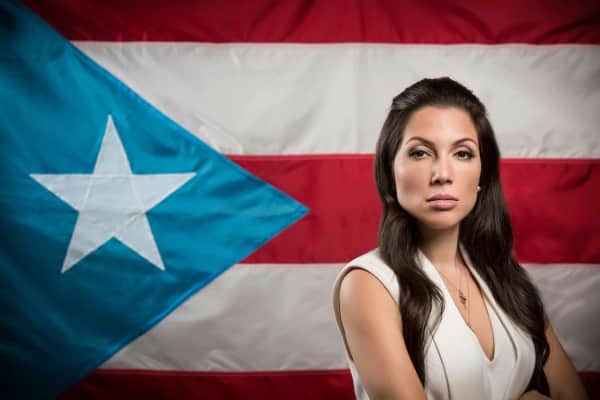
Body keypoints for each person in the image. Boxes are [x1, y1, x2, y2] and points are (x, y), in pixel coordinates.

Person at [332, 77, 588, 400]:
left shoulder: (507, 278)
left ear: (482, 174)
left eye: (463, 153)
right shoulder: (369, 284)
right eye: (420, 153)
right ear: (390, 170)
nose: (443, 174)